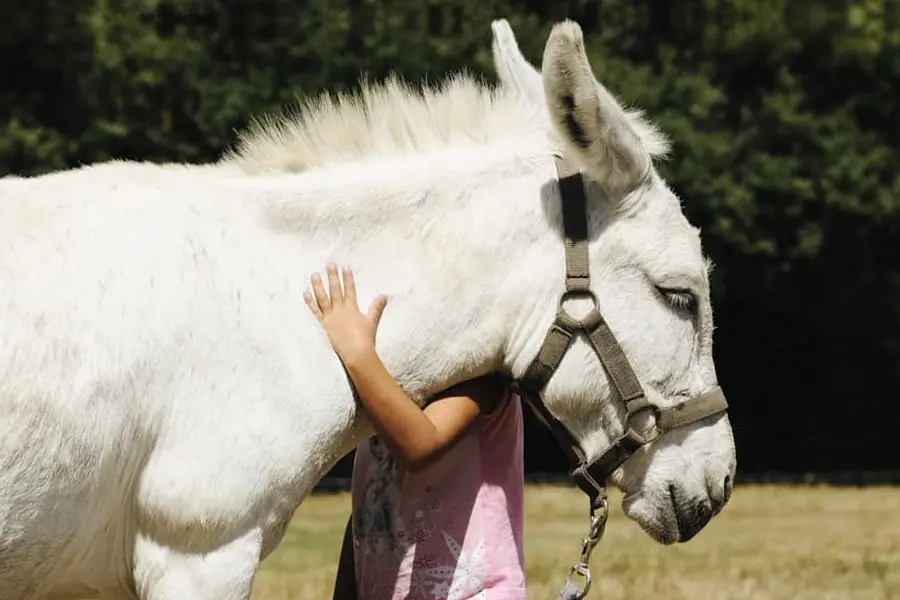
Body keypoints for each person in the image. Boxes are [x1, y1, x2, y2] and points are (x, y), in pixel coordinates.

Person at [303, 263, 526, 600]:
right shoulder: (388, 387)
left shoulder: (483, 374)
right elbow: (370, 509)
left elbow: (420, 444)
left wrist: (357, 353)